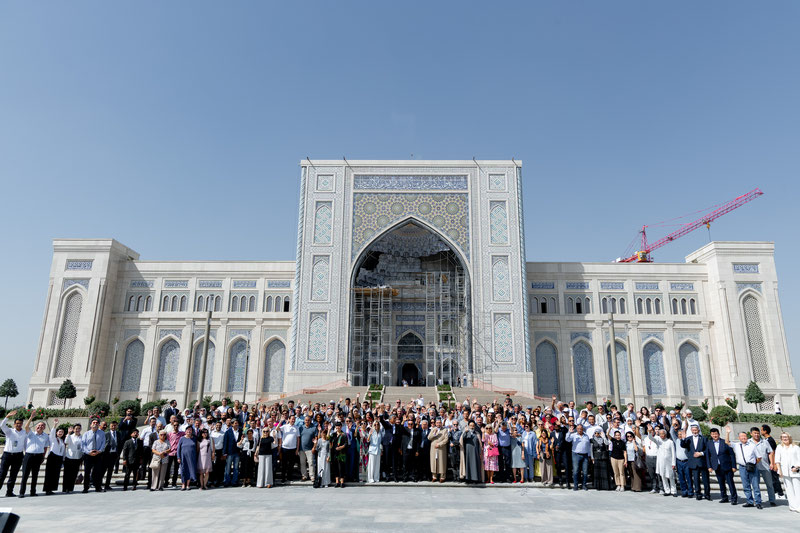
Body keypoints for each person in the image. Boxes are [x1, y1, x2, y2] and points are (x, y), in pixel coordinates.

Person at [19, 413, 49, 497]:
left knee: (35, 475)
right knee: (25, 475)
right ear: (36, 427)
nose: (40, 427)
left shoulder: (46, 436)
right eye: (39, 425)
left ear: (44, 428)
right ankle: (22, 492)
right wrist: (31, 417)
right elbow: (26, 427)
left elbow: (45, 447)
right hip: (29, 456)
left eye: (42, 426)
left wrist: (43, 456)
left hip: (38, 456)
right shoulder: (31, 434)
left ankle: (33, 492)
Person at [707, 427, 737, 504]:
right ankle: (724, 497)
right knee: (721, 483)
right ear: (711, 435)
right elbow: (708, 456)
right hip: (717, 467)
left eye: (716, 434)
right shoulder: (709, 443)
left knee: (730, 483)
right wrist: (709, 466)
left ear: (719, 434)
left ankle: (734, 498)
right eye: (713, 434)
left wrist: (734, 466)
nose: (714, 435)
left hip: (727, 466)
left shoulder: (725, 442)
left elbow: (732, 454)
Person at [732, 430, 762, 508]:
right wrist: (728, 433)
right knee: (746, 485)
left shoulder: (752, 445)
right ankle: (750, 501)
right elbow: (727, 442)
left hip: (752, 466)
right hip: (742, 467)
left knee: (755, 485)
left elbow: (759, 457)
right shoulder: (736, 445)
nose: (743, 438)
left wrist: (753, 463)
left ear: (747, 437)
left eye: (744, 436)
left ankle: (758, 502)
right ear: (739, 438)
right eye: (741, 436)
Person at [0, 410, 26, 497]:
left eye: (20, 423)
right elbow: (2, 425)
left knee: (13, 475)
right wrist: (7, 417)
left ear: (22, 424)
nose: (19, 425)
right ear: (14, 424)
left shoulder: (24, 432)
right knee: (2, 474)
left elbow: (25, 444)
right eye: (17, 423)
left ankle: (9, 492)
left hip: (18, 456)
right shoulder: (9, 431)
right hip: (7, 455)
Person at [681, 425, 711, 500]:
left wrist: (701, 453)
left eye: (696, 430)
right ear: (691, 431)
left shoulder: (704, 438)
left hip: (703, 462)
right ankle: (698, 494)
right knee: (696, 480)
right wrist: (683, 438)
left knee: (705, 480)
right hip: (693, 463)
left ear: (698, 430)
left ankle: (707, 494)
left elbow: (708, 450)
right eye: (693, 430)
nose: (695, 431)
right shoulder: (688, 439)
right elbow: (683, 445)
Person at [749, 426, 777, 507]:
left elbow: (771, 452)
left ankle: (772, 500)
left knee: (769, 484)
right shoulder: (748, 442)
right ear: (751, 434)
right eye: (755, 433)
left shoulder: (765, 442)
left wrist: (772, 463)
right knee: (755, 485)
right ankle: (758, 502)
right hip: (754, 467)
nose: (757, 435)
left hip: (765, 466)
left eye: (758, 433)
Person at [774, 432, 800, 512]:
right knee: (788, 489)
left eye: (786, 437)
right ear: (781, 439)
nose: (785, 438)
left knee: (797, 489)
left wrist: (797, 466)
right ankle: (792, 506)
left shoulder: (795, 447)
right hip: (784, 471)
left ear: (790, 437)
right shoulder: (779, 447)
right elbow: (777, 460)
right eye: (783, 437)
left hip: (795, 471)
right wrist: (779, 470)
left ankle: (798, 506)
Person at [80, 418, 106, 493]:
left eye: (97, 422)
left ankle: (98, 487)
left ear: (98, 424)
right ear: (91, 425)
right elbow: (83, 445)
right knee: (87, 472)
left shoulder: (102, 433)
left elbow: (103, 443)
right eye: (93, 422)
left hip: (98, 454)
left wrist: (99, 451)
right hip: (88, 455)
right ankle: (86, 488)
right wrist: (88, 452)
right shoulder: (86, 434)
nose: (95, 424)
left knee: (98, 472)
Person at [43, 418, 65, 495]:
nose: (60, 433)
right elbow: (52, 433)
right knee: (49, 474)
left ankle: (51, 489)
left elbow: (63, 451)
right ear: (56, 432)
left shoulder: (62, 441)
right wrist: (55, 424)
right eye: (59, 431)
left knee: (56, 474)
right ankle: (47, 489)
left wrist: (62, 460)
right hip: (52, 457)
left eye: (62, 432)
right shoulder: (53, 439)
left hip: (59, 458)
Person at [566, 423, 591, 491]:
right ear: (576, 429)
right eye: (578, 429)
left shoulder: (586, 436)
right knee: (576, 471)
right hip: (576, 454)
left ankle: (584, 485)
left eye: (581, 428)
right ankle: (575, 485)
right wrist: (569, 432)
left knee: (585, 471)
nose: (580, 430)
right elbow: (567, 439)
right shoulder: (573, 435)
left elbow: (588, 446)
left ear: (583, 429)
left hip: (585, 455)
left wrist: (589, 455)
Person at [62, 422, 83, 493]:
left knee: (74, 474)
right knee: (67, 474)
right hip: (69, 457)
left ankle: (71, 488)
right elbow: (66, 441)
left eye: (79, 429)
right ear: (73, 429)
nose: (77, 430)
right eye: (76, 429)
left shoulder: (82, 437)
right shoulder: (70, 436)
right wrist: (68, 433)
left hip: (78, 457)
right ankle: (65, 488)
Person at [279, 416, 300, 483]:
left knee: (291, 464)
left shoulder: (296, 428)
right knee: (284, 464)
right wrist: (281, 421)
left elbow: (298, 439)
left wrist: (297, 449)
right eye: (292, 419)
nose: (293, 420)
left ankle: (289, 477)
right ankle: (283, 478)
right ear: (289, 419)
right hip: (285, 448)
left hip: (293, 448)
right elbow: (277, 429)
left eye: (294, 419)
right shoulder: (285, 426)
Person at [177, 426, 197, 491]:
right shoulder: (182, 439)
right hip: (183, 457)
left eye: (190, 430)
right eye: (187, 430)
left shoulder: (194, 439)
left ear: (192, 431)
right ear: (185, 431)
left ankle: (188, 485)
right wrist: (178, 457)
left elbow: (197, 448)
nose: (189, 431)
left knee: (189, 471)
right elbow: (178, 449)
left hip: (191, 457)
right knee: (183, 471)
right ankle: (183, 485)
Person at [102, 420, 121, 490]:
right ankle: (99, 483)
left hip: (114, 453)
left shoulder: (118, 434)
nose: (113, 427)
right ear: (109, 426)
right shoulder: (106, 434)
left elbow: (120, 444)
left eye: (115, 425)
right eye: (112, 425)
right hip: (107, 454)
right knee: (103, 470)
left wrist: (118, 453)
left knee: (110, 470)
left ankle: (107, 484)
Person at [298, 416, 317, 482]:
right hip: (301, 449)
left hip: (310, 449)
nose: (307, 421)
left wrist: (314, 447)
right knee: (302, 463)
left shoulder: (314, 428)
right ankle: (304, 476)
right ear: (304, 421)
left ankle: (312, 476)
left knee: (311, 463)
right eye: (306, 420)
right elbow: (298, 438)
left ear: (311, 420)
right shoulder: (301, 428)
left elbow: (316, 438)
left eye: (308, 420)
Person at [222, 419, 241, 487]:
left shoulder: (240, 431)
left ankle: (234, 481)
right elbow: (225, 442)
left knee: (236, 468)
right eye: (235, 423)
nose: (236, 424)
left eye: (237, 423)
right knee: (228, 467)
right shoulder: (228, 432)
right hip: (229, 452)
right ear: (232, 424)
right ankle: (227, 481)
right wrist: (224, 452)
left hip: (237, 452)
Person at [330, 422, 348, 487]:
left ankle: (342, 482)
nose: (338, 428)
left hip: (341, 453)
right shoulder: (333, 434)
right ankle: (337, 482)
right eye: (336, 426)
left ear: (341, 426)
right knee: (335, 468)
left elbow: (346, 443)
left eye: (339, 426)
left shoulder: (344, 434)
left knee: (341, 468)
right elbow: (328, 439)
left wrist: (341, 447)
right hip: (334, 453)